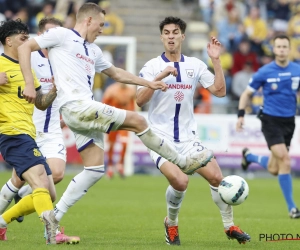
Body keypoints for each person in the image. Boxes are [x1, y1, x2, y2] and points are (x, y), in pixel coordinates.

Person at [17, 2, 214, 233]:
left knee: (94, 170)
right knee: (139, 121)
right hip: (77, 106)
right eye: (100, 25)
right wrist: (30, 84)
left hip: (81, 112)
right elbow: (24, 47)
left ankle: (53, 217)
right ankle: (182, 162)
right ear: (88, 20)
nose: (102, 29)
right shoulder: (61, 34)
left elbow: (116, 73)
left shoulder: (94, 50)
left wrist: (148, 83)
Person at [136, 16, 251, 246]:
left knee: (218, 177)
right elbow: (139, 101)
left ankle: (230, 227)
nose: (171, 36)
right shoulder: (151, 66)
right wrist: (158, 79)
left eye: (175, 32)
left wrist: (215, 60)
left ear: (182, 36)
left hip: (188, 139)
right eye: (166, 32)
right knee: (180, 182)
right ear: (161, 37)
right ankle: (171, 223)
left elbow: (219, 91)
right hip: (160, 139)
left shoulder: (195, 65)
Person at [0, 17, 80, 244]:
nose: (28, 42)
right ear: (9, 41)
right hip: (11, 134)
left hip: (28, 135)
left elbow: (40, 102)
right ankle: (53, 234)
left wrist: (54, 90)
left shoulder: (27, 70)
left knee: (48, 191)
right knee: (38, 183)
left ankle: (1, 222)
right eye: (22, 38)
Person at [236, 34, 300, 219]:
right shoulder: (264, 72)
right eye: (278, 46)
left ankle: (250, 156)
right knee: (286, 161)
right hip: (270, 120)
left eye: (284, 47)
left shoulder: (297, 70)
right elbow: (246, 94)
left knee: (275, 168)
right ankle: (292, 208)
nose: (281, 49)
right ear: (274, 49)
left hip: (289, 122)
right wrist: (241, 115)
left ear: (289, 49)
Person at [102, 82, 136, 178]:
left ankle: (120, 164)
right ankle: (110, 167)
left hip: (124, 121)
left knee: (124, 143)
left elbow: (132, 105)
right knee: (111, 145)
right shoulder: (111, 90)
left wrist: (132, 116)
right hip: (112, 121)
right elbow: (104, 103)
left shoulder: (131, 91)